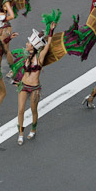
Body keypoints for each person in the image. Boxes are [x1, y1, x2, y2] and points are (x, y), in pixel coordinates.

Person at [13, 17, 56, 145]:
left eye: (28, 43)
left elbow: (47, 45)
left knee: (33, 110)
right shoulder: (25, 56)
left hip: (35, 88)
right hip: (24, 86)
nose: (26, 44)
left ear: (34, 46)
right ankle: (20, 133)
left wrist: (51, 32)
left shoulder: (40, 57)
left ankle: (33, 129)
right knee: (20, 110)